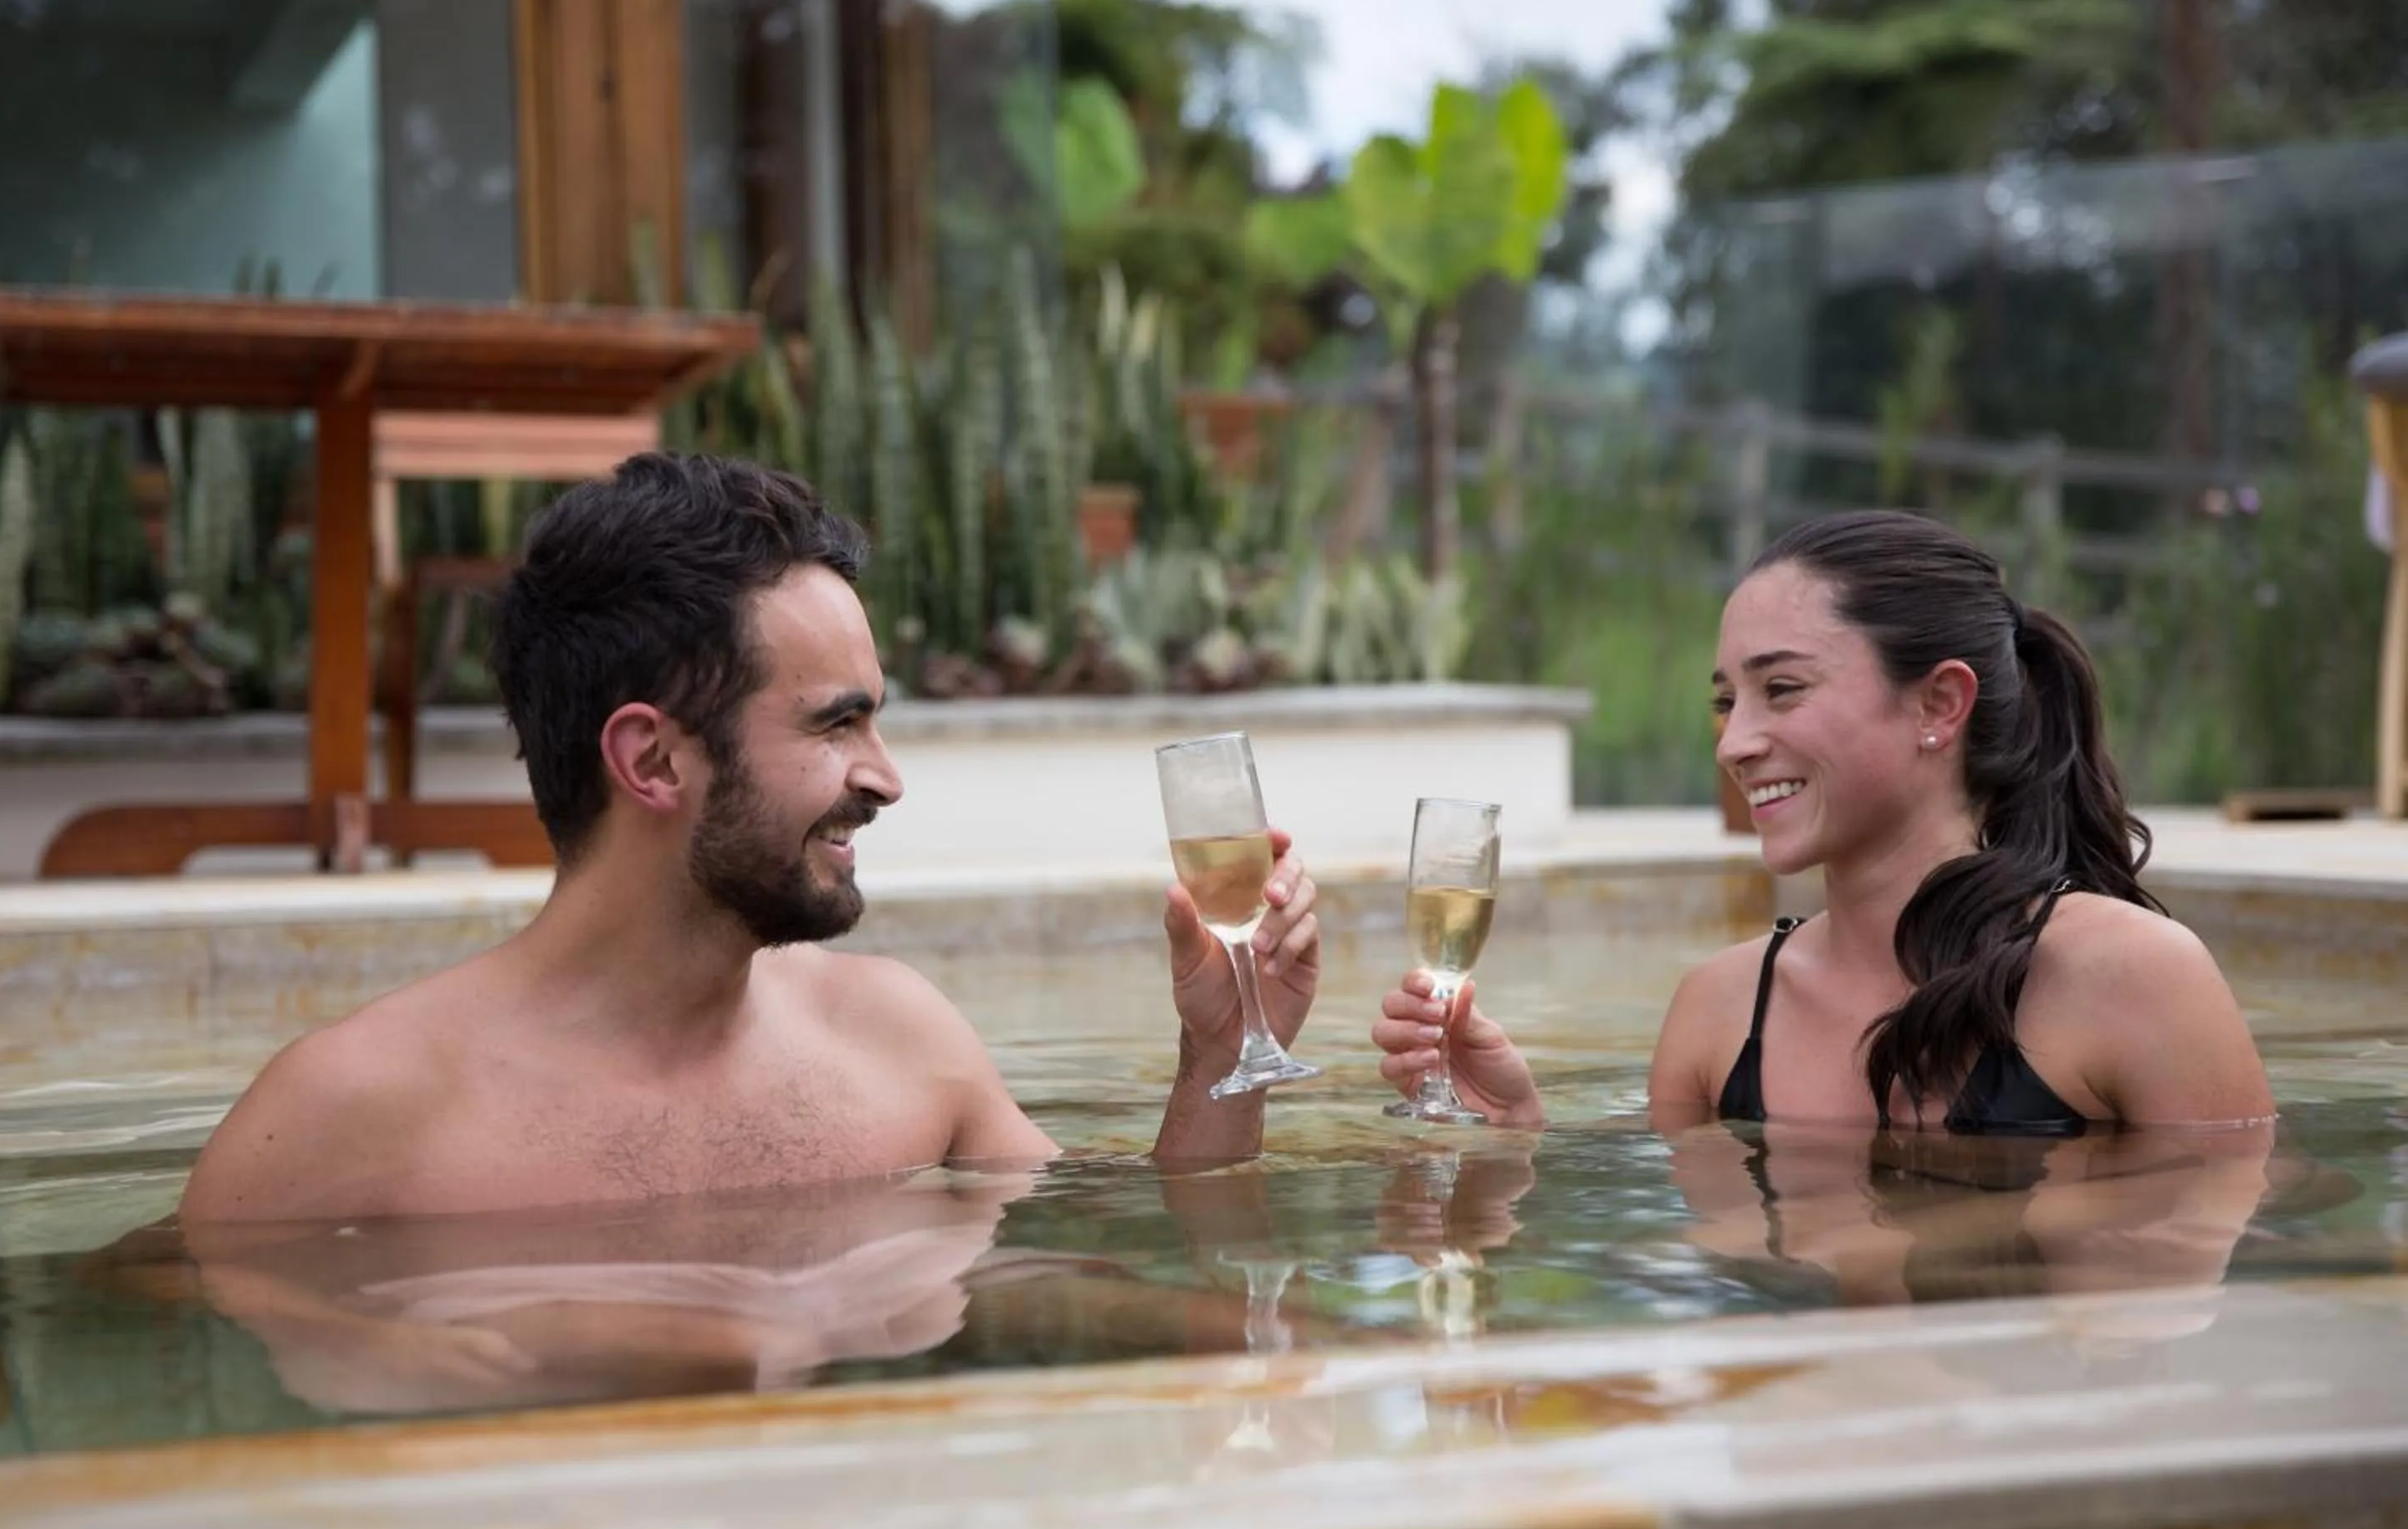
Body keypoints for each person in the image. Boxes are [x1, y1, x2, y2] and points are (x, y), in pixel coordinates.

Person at [180, 454, 1322, 1224]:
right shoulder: (353, 1113)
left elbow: (1162, 1258)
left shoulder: (898, 1038)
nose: (887, 779)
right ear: (652, 760)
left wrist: (1221, 1059)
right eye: (838, 724)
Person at [1375, 509, 2274, 1135]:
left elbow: (2223, 1268)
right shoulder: (1717, 1015)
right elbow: (1692, 1264)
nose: (1736, 741)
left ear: (1939, 702)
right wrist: (1517, 1134)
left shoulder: (2129, 976)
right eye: (1726, 702)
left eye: (1782, 689)